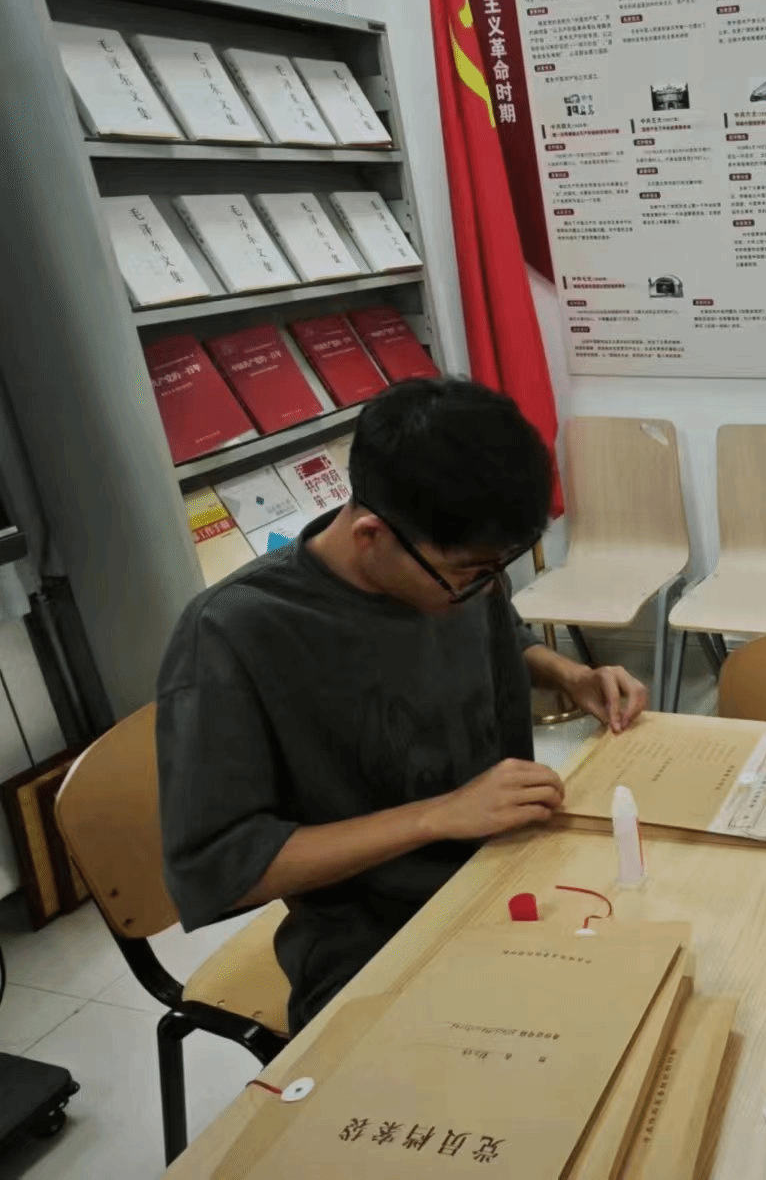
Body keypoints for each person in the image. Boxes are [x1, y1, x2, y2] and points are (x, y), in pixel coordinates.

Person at [157, 378, 648, 1031]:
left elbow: (495, 630)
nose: (488, 588)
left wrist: (570, 675)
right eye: (472, 573)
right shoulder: (234, 633)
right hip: (377, 942)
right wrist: (438, 816)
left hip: (513, 870)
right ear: (370, 535)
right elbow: (221, 868)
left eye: (498, 569)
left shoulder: (443, 571)